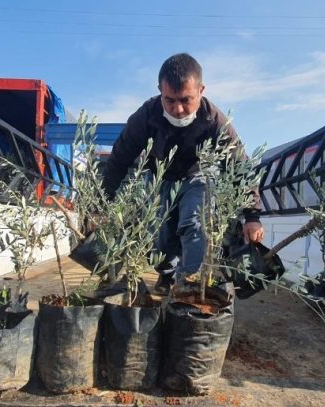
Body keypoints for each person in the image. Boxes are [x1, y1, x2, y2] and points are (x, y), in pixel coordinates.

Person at [101, 53, 264, 293]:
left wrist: (252, 216)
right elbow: (120, 157)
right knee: (159, 234)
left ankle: (188, 282)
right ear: (160, 91)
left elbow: (239, 166)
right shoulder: (146, 116)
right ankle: (167, 275)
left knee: (194, 223)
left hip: (196, 175)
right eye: (169, 100)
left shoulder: (214, 121)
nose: (177, 109)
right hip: (159, 177)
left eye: (186, 100)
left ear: (201, 90)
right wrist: (102, 202)